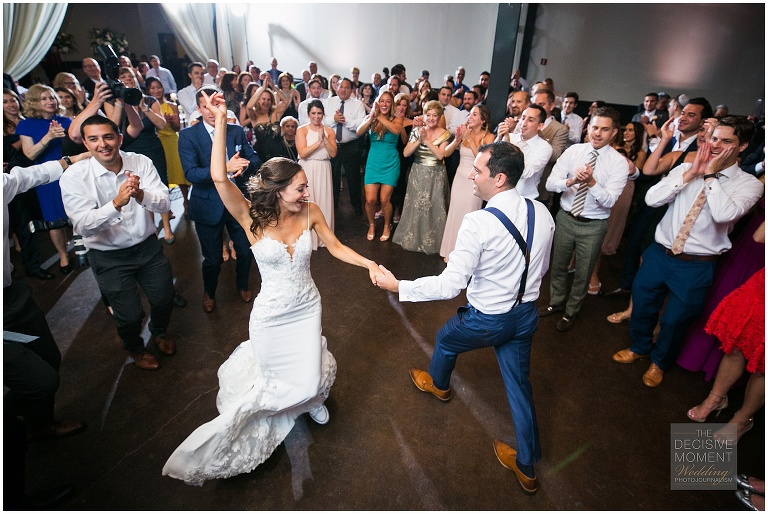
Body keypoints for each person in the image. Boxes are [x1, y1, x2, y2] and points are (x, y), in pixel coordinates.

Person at [162, 91, 379, 485]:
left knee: (310, 372)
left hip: (307, 306)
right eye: (299, 188)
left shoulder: (311, 213)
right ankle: (283, 408)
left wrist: (368, 263)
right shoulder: (250, 218)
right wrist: (223, 119)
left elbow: (335, 247)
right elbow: (217, 178)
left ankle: (311, 400)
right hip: (271, 315)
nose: (307, 194)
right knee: (275, 380)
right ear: (278, 190)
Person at [375, 141, 555, 494]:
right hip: (526, 315)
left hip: (488, 319)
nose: (471, 174)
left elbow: (450, 285)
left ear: (499, 178)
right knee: (519, 386)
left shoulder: (478, 222)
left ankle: (440, 386)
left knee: (445, 338)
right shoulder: (542, 212)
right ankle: (526, 466)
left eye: (479, 170)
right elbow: (542, 267)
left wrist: (399, 286)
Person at [612, 117, 764, 387]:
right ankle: (639, 347)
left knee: (674, 320)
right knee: (643, 305)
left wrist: (710, 176)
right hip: (659, 254)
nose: (716, 145)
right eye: (714, 138)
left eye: (726, 141)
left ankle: (659, 362)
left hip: (696, 265)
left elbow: (723, 214)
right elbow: (651, 199)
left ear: (742, 147)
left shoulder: (750, 185)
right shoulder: (686, 167)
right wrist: (690, 174)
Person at [60, 115, 177, 370]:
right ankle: (135, 347)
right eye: (94, 139)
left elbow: (165, 202)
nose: (103, 144)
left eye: (108, 136)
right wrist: (116, 204)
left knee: (164, 298)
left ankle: (159, 332)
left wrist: (141, 194)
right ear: (86, 144)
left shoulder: (140, 162)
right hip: (108, 257)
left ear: (119, 139)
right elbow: (82, 226)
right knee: (130, 315)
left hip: (147, 248)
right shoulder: (74, 177)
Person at [539, 107, 628, 332]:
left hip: (593, 225)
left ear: (614, 133)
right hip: (566, 218)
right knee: (557, 265)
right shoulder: (574, 151)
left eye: (604, 129)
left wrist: (590, 182)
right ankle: (556, 303)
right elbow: (551, 183)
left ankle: (571, 312)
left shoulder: (618, 163)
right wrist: (570, 182)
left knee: (583, 273)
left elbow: (609, 201)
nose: (597, 133)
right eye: (594, 127)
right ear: (588, 127)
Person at [179, 86, 262, 312]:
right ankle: (209, 292)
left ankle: (243, 285)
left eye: (215, 105)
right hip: (208, 204)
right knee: (213, 259)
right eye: (205, 106)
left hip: (237, 202)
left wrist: (243, 166)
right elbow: (191, 174)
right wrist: (223, 168)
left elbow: (254, 158)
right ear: (198, 108)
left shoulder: (235, 131)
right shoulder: (188, 136)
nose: (210, 110)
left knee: (245, 250)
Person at [686, 221, 763, 443]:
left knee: (763, 366)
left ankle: (742, 420)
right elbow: (760, 236)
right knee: (737, 347)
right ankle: (715, 399)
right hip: (761, 290)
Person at [16, 85, 73, 274]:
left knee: (75, 213)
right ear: (33, 102)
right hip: (46, 177)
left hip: (70, 173)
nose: (51, 102)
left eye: (52, 97)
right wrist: (48, 136)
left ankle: (84, 249)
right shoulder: (26, 125)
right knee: (54, 219)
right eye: (44, 99)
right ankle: (63, 255)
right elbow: (30, 154)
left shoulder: (66, 121)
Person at [118, 69, 175, 244]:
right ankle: (151, 227)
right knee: (139, 187)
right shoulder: (116, 103)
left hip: (152, 147)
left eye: (131, 77)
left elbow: (161, 124)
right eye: (123, 78)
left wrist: (144, 108)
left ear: (136, 80)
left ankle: (166, 227)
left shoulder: (150, 100)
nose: (128, 80)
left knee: (160, 185)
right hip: (130, 150)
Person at [392, 100, 450, 254]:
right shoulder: (417, 131)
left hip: (436, 174)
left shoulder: (444, 133)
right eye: (428, 115)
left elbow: (440, 155)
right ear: (424, 116)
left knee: (433, 206)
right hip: (418, 172)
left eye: (434, 115)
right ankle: (415, 237)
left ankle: (433, 241)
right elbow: (405, 153)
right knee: (416, 205)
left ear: (439, 117)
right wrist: (419, 139)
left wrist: (427, 142)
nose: (431, 118)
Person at [439, 105, 495, 260]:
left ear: (483, 120)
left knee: (469, 214)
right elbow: (446, 153)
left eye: (474, 114)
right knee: (455, 212)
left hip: (475, 181)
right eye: (470, 114)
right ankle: (449, 250)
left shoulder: (489, 137)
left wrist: (469, 139)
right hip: (459, 177)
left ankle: (464, 255)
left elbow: (483, 160)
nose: (469, 117)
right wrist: (457, 139)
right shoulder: (465, 133)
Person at [358, 90, 403, 241]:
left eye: (388, 101)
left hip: (390, 162)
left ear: (392, 105)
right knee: (370, 200)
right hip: (373, 162)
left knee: (384, 200)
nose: (384, 104)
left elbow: (396, 130)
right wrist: (371, 118)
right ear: (378, 103)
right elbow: (359, 132)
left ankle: (386, 225)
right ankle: (371, 224)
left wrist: (379, 117)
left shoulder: (397, 119)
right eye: (382, 101)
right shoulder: (372, 118)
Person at [296, 100, 337, 250]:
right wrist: (318, 143)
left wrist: (325, 139)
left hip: (324, 167)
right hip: (307, 168)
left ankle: (323, 238)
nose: (316, 116)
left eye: (319, 113)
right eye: (313, 113)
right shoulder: (302, 130)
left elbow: (333, 153)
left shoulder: (330, 131)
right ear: (308, 114)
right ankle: (308, 239)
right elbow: (302, 153)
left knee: (324, 201)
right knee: (309, 200)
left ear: (323, 114)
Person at [146, 77, 189, 215]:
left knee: (179, 172)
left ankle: (186, 201)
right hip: (158, 142)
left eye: (158, 87)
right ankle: (166, 207)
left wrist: (170, 121)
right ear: (148, 90)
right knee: (162, 175)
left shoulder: (171, 105)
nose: (156, 90)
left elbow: (177, 128)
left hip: (172, 140)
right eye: (152, 88)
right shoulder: (146, 108)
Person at [325, 78, 367, 216]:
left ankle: (357, 208)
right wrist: (334, 119)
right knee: (333, 178)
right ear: (336, 87)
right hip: (332, 145)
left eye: (347, 87)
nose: (343, 89)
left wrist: (345, 120)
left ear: (352, 90)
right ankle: (333, 207)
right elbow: (322, 121)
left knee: (353, 179)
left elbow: (361, 124)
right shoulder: (328, 102)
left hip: (351, 146)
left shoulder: (358, 105)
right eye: (340, 86)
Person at [496, 104, 554, 200]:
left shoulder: (544, 148)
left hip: (523, 200)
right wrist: (498, 138)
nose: (524, 123)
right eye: (523, 118)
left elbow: (525, 172)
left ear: (540, 126)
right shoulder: (510, 137)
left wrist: (508, 145)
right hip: (498, 195)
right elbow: (492, 161)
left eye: (530, 120)